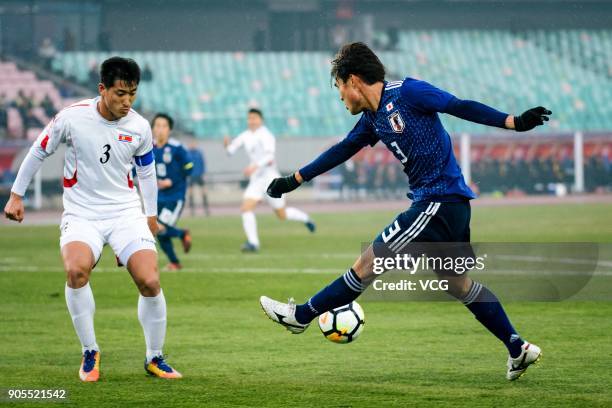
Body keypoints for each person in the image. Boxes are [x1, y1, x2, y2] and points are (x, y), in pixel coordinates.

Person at [260, 42, 552, 381]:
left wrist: (513, 122)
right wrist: (294, 179)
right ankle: (517, 347)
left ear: (353, 80)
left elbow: (458, 105)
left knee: (366, 264)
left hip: (436, 202)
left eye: (339, 87)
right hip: (450, 207)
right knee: (458, 285)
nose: (339, 96)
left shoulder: (410, 92)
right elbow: (342, 150)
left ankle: (302, 315)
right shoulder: (372, 119)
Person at [3, 57, 182, 381]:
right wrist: (17, 195)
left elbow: (146, 172)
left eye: (133, 94)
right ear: (102, 89)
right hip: (81, 213)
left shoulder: (139, 126)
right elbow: (38, 150)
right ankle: (90, 350)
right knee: (76, 272)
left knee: (150, 281)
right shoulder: (71, 118)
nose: (127, 101)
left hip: (125, 212)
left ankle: (154, 357)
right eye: (120, 93)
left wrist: (150, 216)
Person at [224, 108, 315, 252]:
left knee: (282, 214)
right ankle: (253, 243)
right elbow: (231, 150)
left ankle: (306, 218)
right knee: (246, 208)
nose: (251, 121)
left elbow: (269, 157)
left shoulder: (266, 135)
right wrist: (227, 145)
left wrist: (255, 166)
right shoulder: (245, 135)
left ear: (261, 120)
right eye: (249, 118)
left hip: (270, 178)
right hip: (256, 180)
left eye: (254, 118)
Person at [152, 113, 193, 271]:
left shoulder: (177, 148)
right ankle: (175, 262)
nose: (160, 129)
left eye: (164, 126)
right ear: (153, 129)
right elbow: (138, 169)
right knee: (159, 232)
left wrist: (172, 180)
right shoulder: (149, 147)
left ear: (169, 129)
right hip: (157, 197)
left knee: (159, 228)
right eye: (157, 125)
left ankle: (182, 234)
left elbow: (190, 167)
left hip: (175, 197)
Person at [187, 142, 210, 216]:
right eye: (190, 143)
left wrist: (203, 173)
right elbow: (186, 164)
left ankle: (206, 210)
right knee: (191, 193)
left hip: (199, 175)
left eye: (193, 143)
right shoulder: (187, 154)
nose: (192, 144)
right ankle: (192, 211)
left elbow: (203, 163)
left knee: (204, 192)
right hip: (191, 176)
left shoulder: (199, 153)